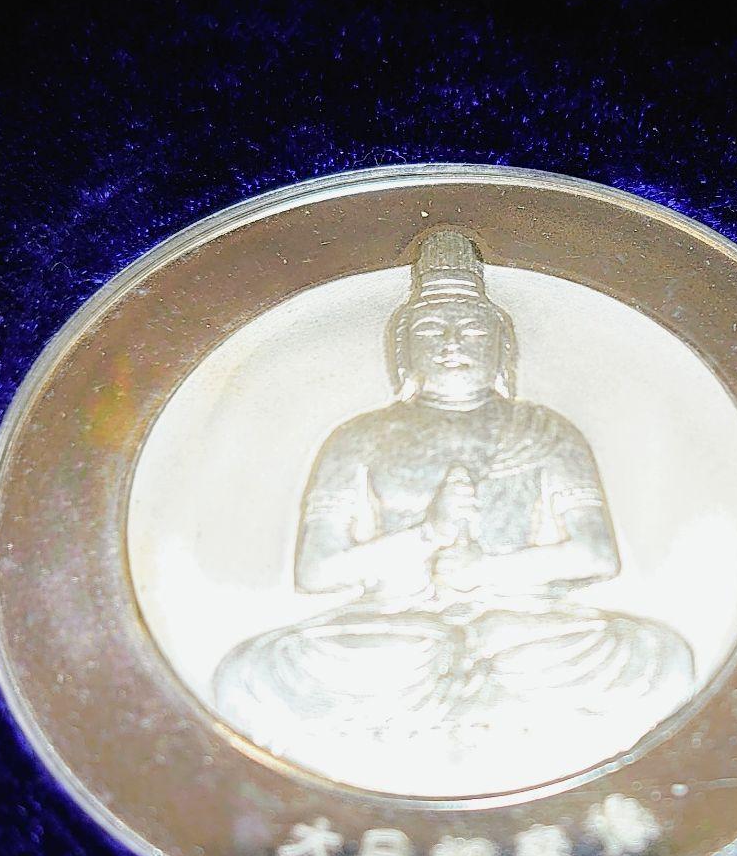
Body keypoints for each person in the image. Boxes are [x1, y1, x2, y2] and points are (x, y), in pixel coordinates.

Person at [212, 230, 694, 782]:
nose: (451, 343)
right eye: (429, 330)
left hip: (524, 623)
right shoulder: (359, 438)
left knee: (661, 657)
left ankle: (448, 721)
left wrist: (488, 569)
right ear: (403, 350)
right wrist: (427, 535)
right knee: (248, 674)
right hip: (394, 627)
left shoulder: (545, 431)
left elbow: (596, 556)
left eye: (472, 330)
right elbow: (317, 572)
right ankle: (483, 719)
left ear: (502, 346)